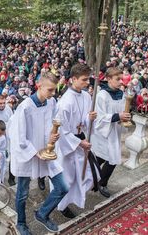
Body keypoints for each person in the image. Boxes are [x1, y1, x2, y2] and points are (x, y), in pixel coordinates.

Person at [8, 72, 69, 235]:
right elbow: (18, 136)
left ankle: (42, 214)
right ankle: (21, 223)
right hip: (27, 155)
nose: (53, 94)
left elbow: (54, 121)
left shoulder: (51, 102)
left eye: (54, 90)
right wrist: (35, 152)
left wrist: (54, 134)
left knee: (63, 187)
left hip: (46, 151)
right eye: (50, 90)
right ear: (39, 86)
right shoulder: (25, 107)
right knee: (22, 193)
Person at [55, 63, 98, 218]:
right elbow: (61, 130)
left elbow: (83, 119)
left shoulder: (86, 96)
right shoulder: (65, 103)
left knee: (86, 174)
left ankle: (76, 197)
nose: (88, 83)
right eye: (84, 80)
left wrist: (89, 118)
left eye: (88, 79)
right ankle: (62, 206)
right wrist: (79, 142)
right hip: (69, 144)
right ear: (73, 79)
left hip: (80, 140)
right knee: (67, 177)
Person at [92, 67, 130, 198]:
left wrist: (125, 116)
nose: (121, 82)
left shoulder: (122, 94)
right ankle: (95, 181)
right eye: (117, 79)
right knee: (105, 157)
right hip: (103, 132)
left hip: (114, 131)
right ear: (108, 79)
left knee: (111, 158)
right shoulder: (102, 95)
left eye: (121, 79)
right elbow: (99, 117)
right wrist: (117, 116)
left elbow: (124, 110)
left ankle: (102, 182)